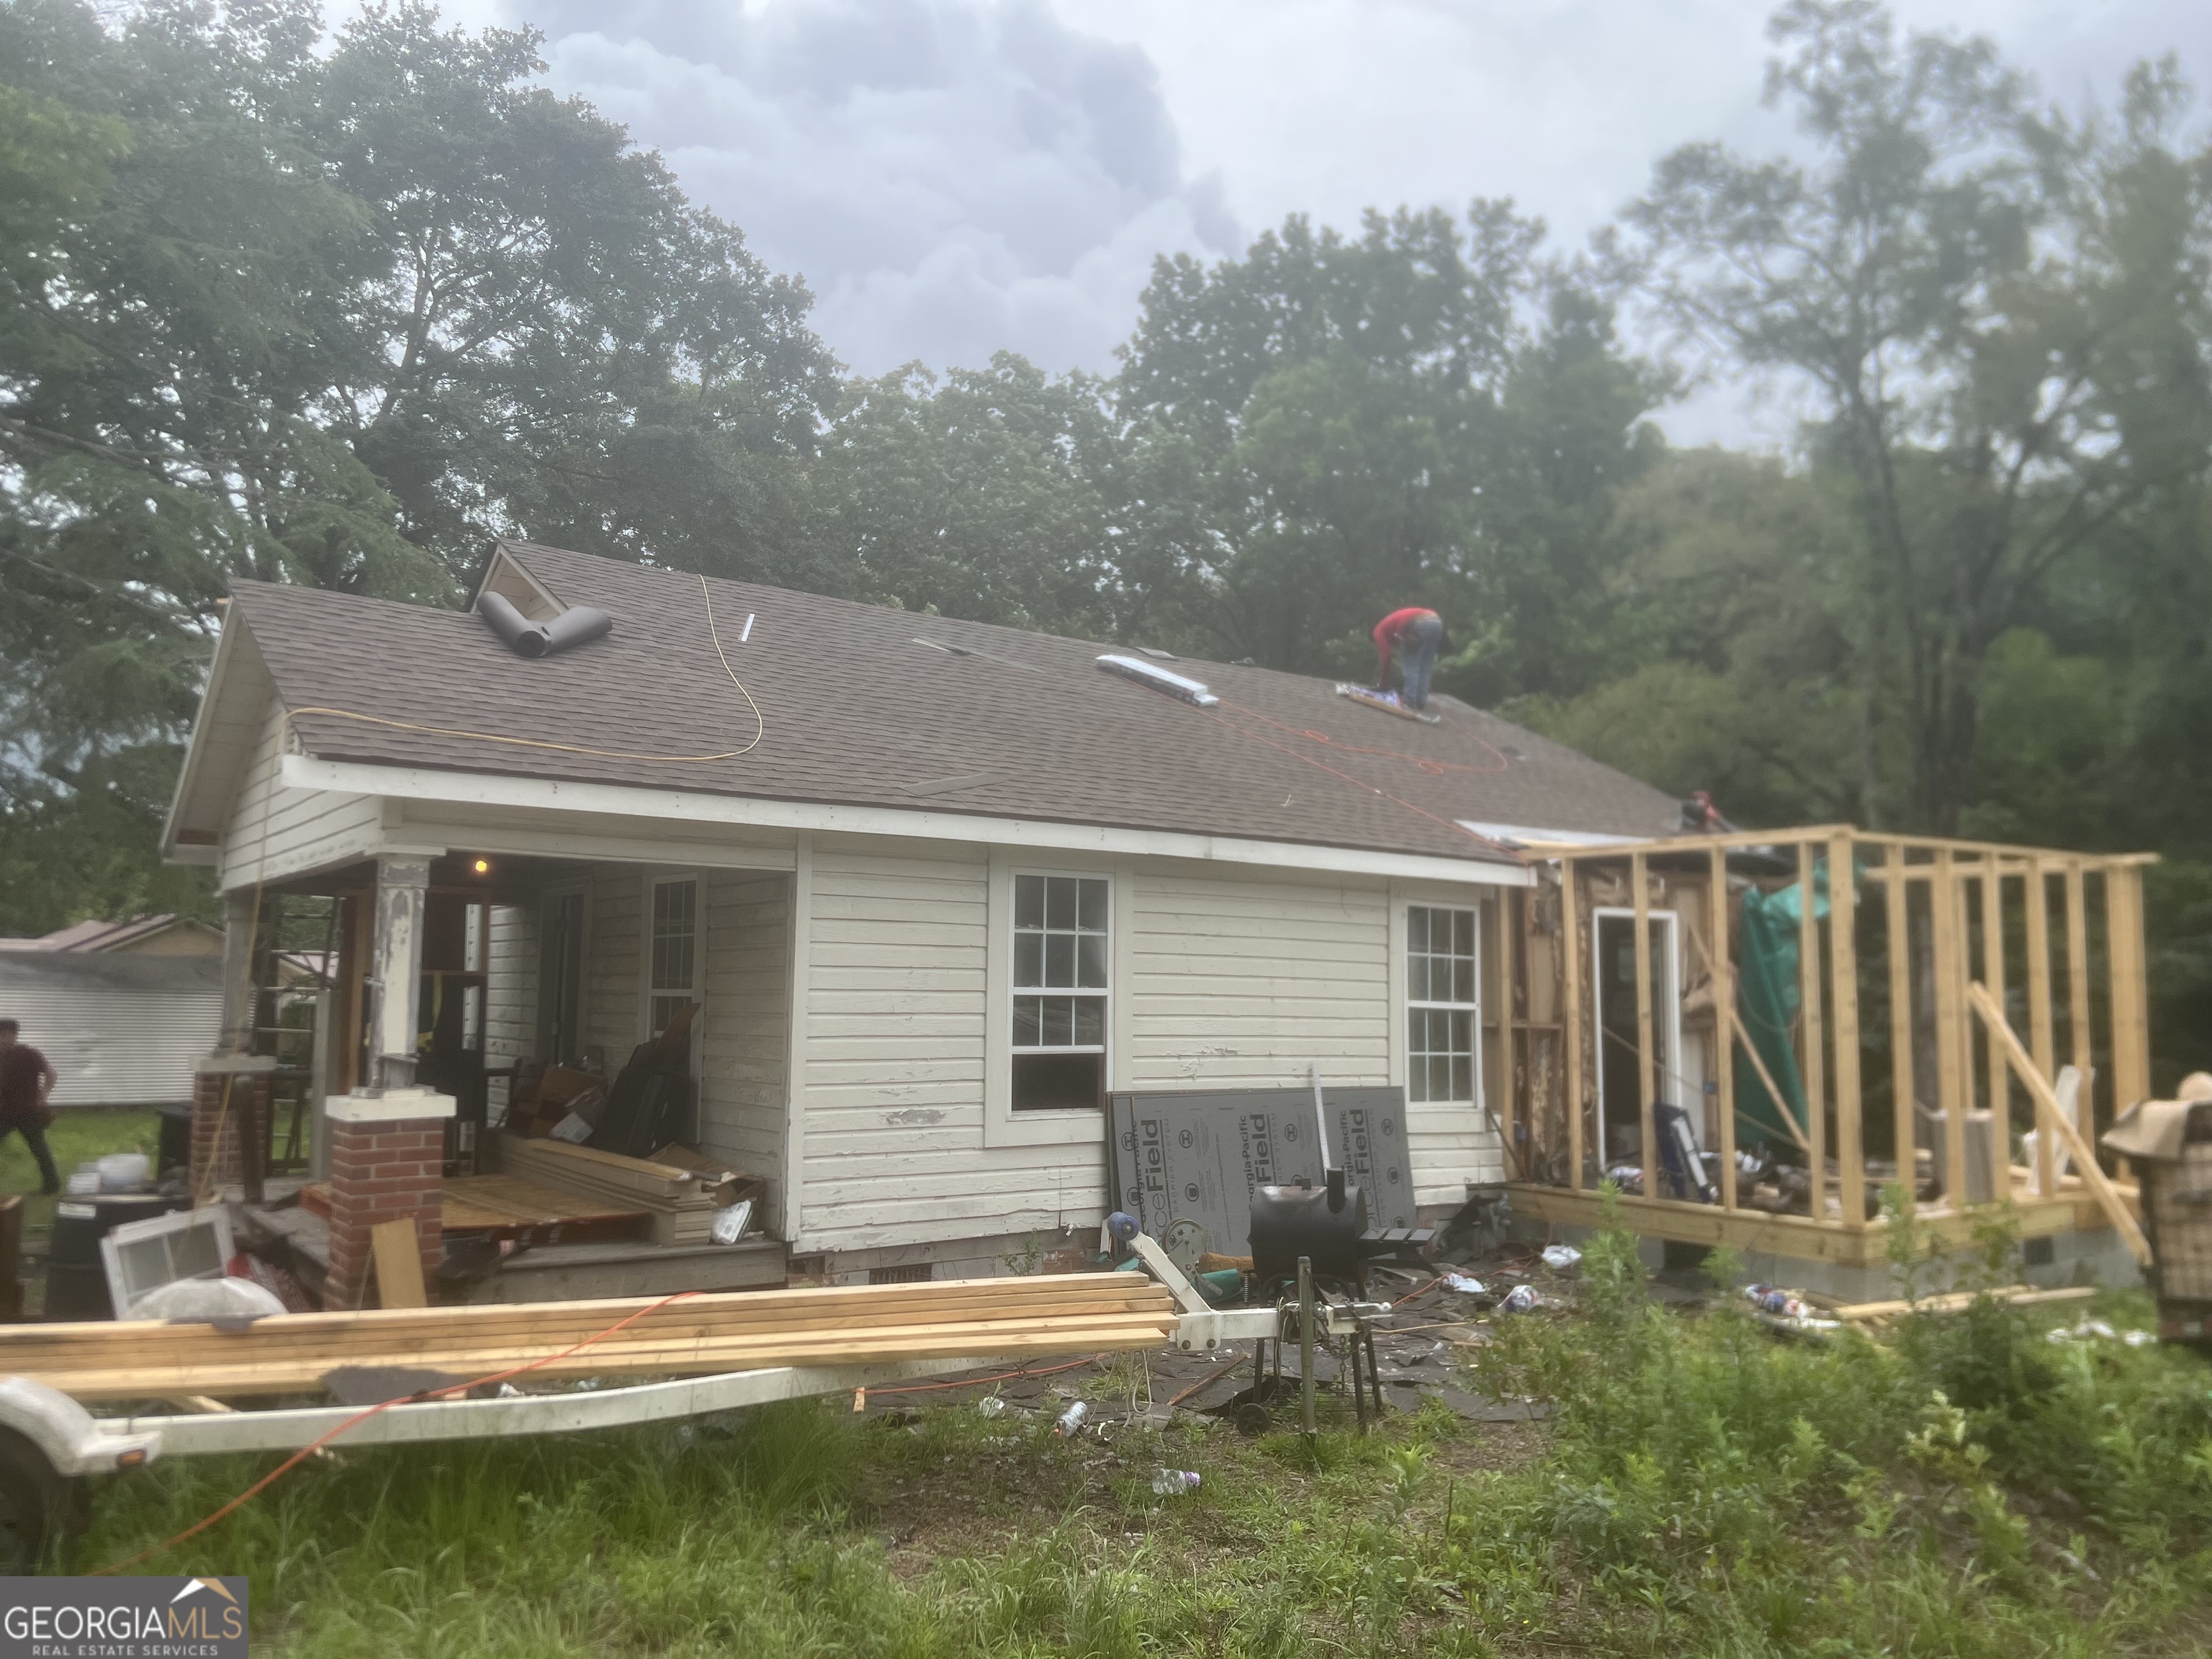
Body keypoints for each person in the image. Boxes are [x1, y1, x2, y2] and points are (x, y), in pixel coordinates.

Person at [0, 1020, 59, 1195]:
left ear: (14, 1036)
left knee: (39, 1148)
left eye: (4, 1036)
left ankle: (52, 1186)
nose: (1, 1040)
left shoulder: (28, 1054)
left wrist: (44, 1095)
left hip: (28, 1112)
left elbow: (51, 1074)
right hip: (3, 1113)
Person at [1372, 606, 1446, 711]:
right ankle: (1420, 701)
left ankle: (1409, 701)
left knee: (1412, 664)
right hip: (1437, 623)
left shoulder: (1378, 632)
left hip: (1420, 623)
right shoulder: (1391, 628)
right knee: (1426, 665)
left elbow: (1386, 657)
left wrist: (1383, 683)